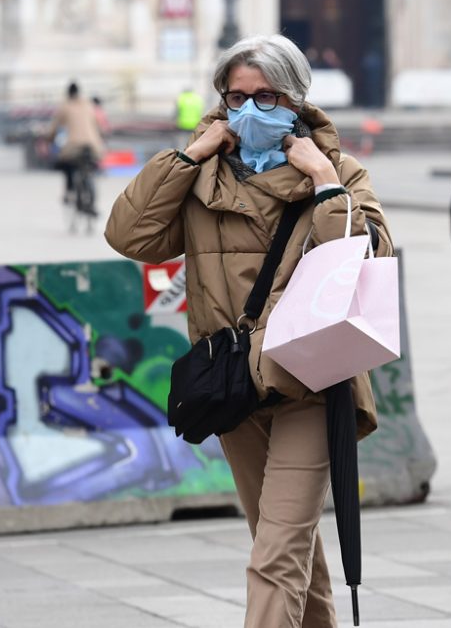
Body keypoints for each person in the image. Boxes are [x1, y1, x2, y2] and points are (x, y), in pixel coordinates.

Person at [105, 34, 393, 627]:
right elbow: (131, 236)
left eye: (267, 96)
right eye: (236, 97)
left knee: (275, 554)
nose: (250, 109)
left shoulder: (339, 169)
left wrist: (324, 183)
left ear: (296, 100)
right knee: (283, 542)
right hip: (233, 383)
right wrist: (189, 155)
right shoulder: (199, 174)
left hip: (310, 378)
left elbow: (370, 256)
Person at [47, 82, 106, 211]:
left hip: (74, 145)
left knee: (66, 164)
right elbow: (99, 126)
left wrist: (49, 139)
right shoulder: (89, 105)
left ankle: (69, 191)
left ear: (68, 93)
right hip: (93, 145)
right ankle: (91, 190)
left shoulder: (65, 106)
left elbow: (54, 127)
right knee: (92, 163)